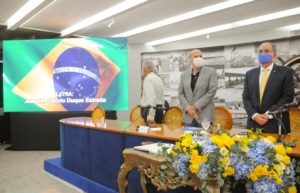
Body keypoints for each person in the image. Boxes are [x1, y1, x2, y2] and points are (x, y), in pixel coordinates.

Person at [242, 42, 295, 133]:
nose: (263, 54)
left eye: (267, 51)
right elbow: (246, 98)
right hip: (254, 123)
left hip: (275, 123)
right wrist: (254, 115)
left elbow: (288, 97)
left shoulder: (285, 72)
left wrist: (268, 114)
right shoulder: (250, 74)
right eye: (260, 51)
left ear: (274, 54)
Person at [178, 49, 218, 127]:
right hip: (188, 117)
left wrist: (195, 106)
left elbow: (211, 91)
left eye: (200, 56)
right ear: (190, 59)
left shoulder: (211, 72)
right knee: (187, 138)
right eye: (196, 56)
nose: (199, 58)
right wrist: (188, 108)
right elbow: (180, 93)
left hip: (205, 116)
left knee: (205, 138)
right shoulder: (184, 74)